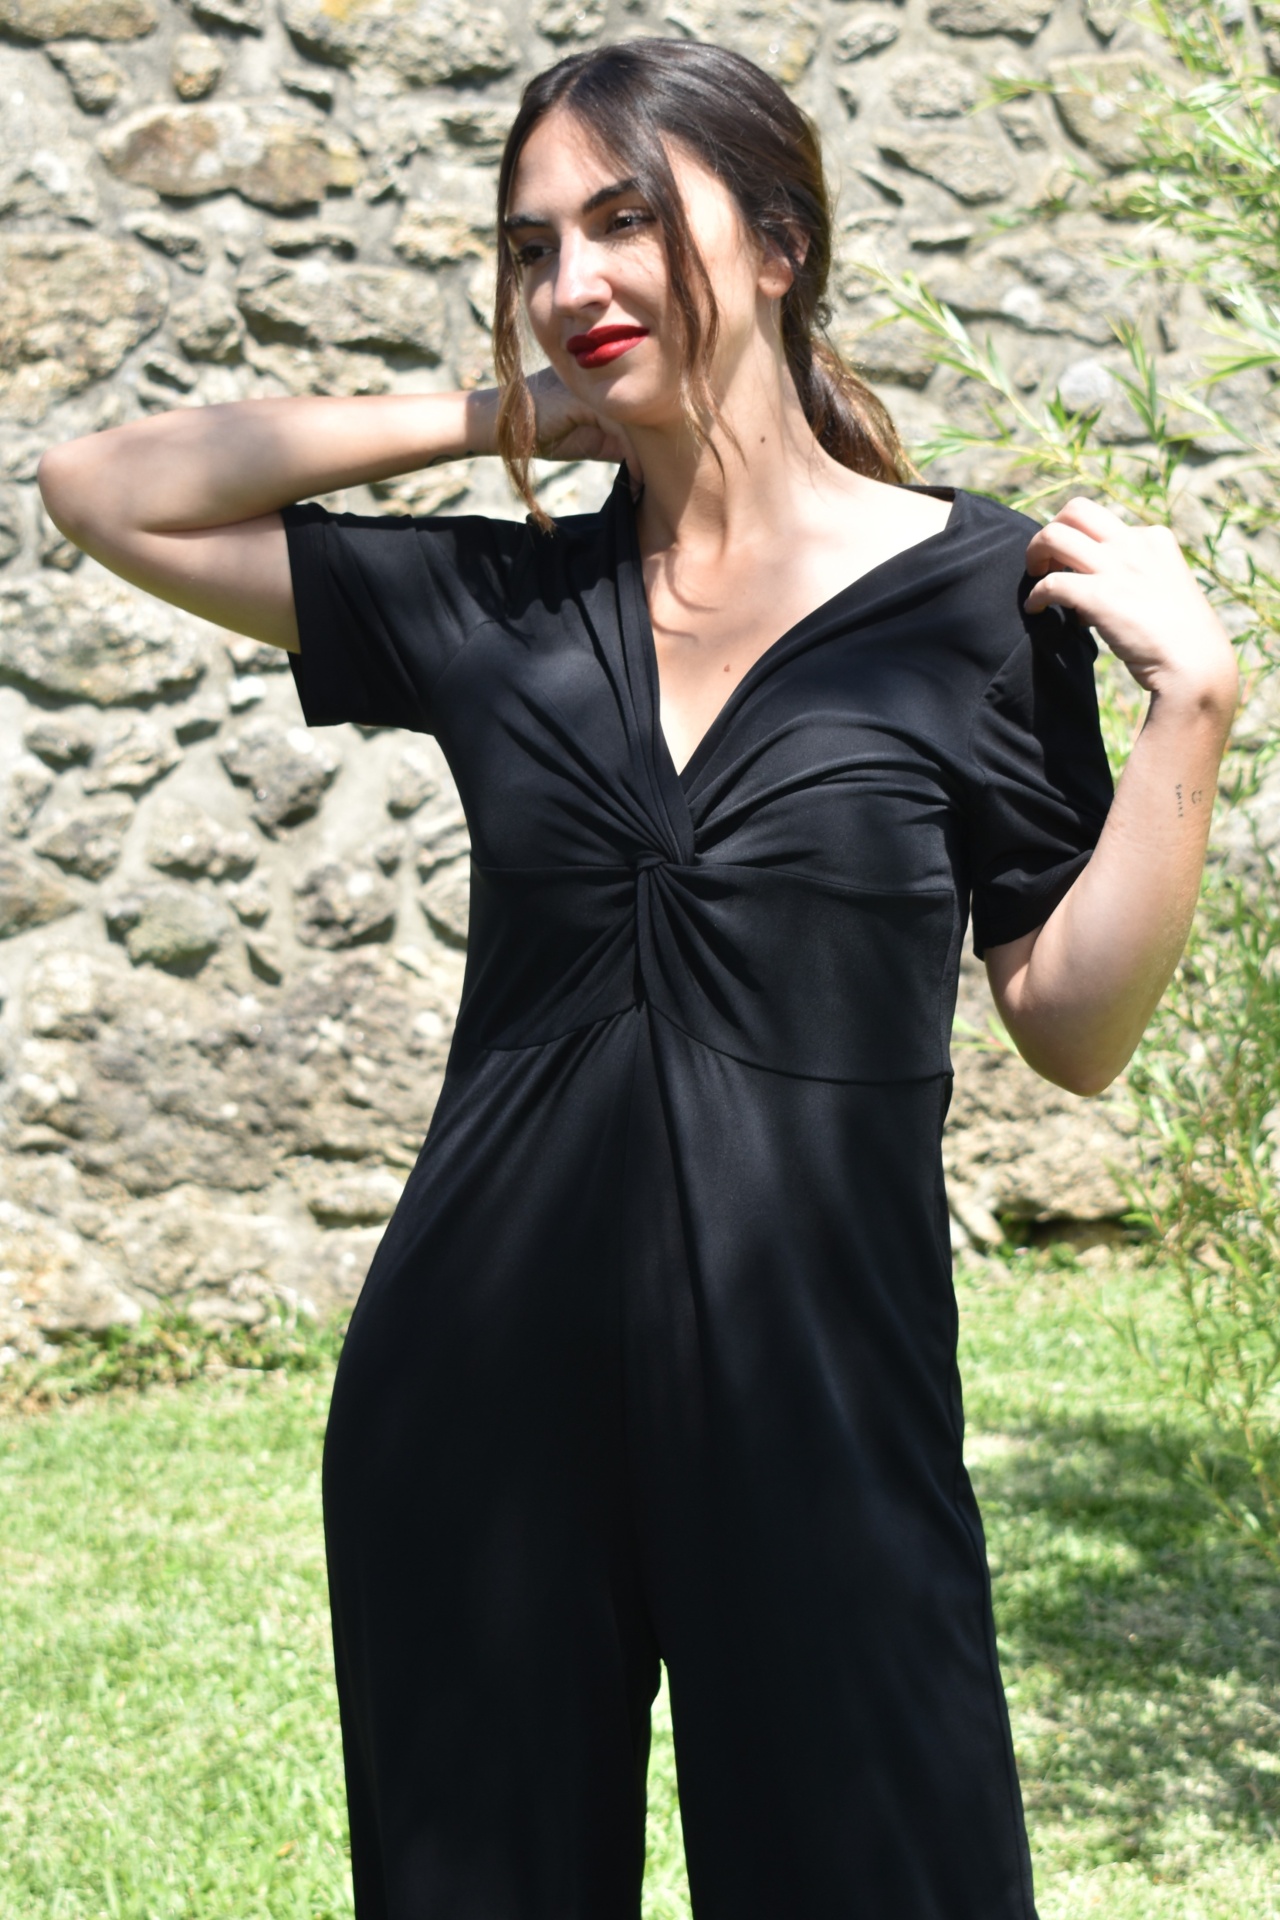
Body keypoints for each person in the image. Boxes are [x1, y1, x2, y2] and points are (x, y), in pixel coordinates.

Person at [38, 37, 1237, 1920]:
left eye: (625, 222)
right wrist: (500, 413)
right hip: (476, 1401)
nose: (573, 279)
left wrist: (1196, 708)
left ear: (778, 244)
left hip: (826, 1404)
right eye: (533, 247)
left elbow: (1072, 1025)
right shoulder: (500, 603)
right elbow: (104, 489)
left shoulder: (980, 602)